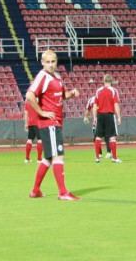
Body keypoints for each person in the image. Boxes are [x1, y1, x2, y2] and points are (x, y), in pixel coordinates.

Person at [26, 50, 81, 200]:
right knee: (59, 156)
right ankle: (63, 192)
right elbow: (29, 95)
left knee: (49, 158)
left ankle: (35, 190)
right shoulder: (42, 76)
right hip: (49, 122)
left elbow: (62, 96)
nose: (51, 65)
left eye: (53, 62)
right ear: (42, 62)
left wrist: (72, 93)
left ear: (57, 62)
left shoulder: (57, 77)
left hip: (55, 121)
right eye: (47, 62)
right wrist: (42, 112)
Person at [92, 74, 123, 163]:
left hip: (100, 115)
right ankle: (114, 158)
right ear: (111, 81)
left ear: (103, 80)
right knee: (112, 137)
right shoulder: (114, 91)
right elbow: (116, 104)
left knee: (98, 137)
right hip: (110, 115)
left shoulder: (98, 91)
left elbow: (95, 105)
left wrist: (94, 117)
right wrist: (119, 117)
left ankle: (97, 158)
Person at [83, 95, 111, 159]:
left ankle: (109, 152)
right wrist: (85, 117)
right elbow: (88, 109)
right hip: (96, 121)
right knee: (96, 137)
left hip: (105, 119)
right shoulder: (91, 100)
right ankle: (99, 153)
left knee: (107, 137)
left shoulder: (105, 98)